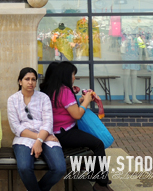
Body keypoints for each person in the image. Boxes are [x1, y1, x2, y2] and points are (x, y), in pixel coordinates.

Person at [41, 62, 113, 191]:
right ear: (67, 75)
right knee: (98, 144)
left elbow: (65, 108)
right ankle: (101, 183)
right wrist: (86, 101)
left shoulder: (50, 89)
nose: (74, 77)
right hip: (65, 133)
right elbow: (77, 114)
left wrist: (79, 102)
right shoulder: (64, 90)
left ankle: (93, 173)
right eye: (73, 74)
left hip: (55, 132)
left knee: (89, 140)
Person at [8, 67, 66, 191]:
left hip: (46, 136)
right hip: (24, 138)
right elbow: (15, 127)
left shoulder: (43, 98)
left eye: (33, 79)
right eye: (27, 79)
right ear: (20, 81)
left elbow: (48, 122)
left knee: (60, 169)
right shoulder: (12, 100)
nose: (30, 82)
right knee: (24, 168)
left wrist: (40, 140)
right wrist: (38, 139)